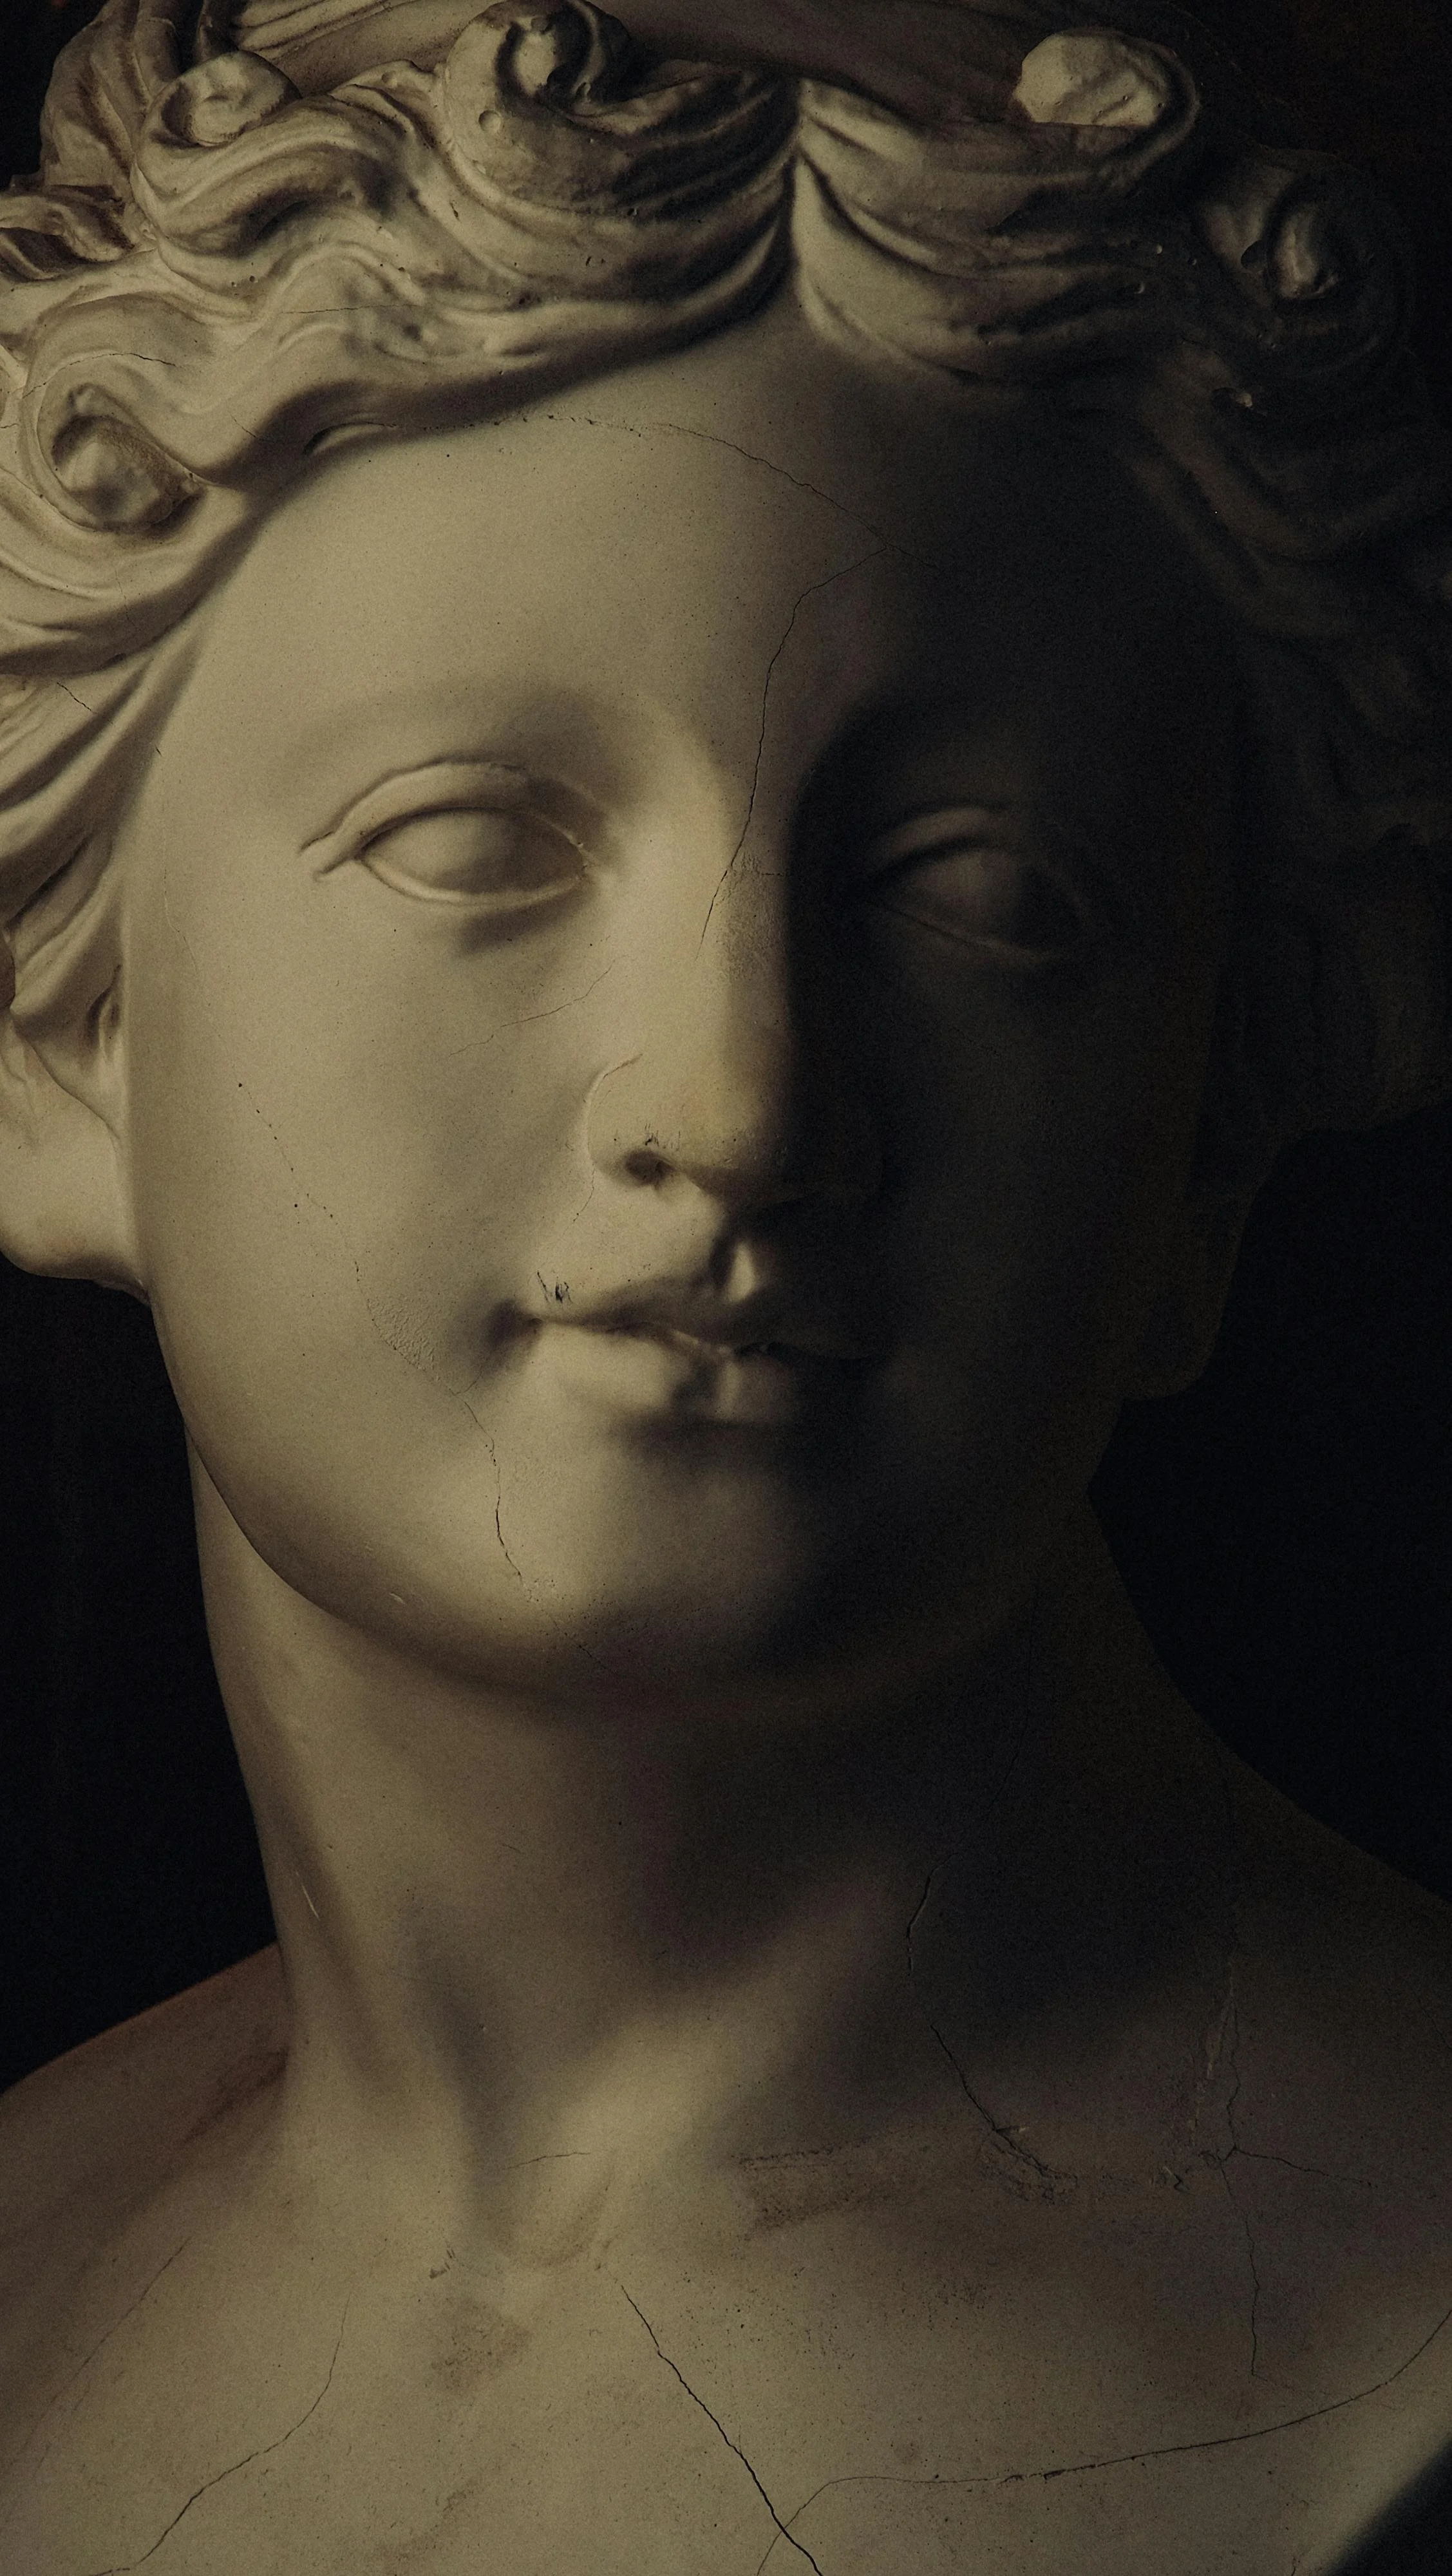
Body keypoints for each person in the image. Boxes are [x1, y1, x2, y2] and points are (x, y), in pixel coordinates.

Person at [1, 1, 1450, 2567]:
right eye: (475, 844)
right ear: (64, 1039)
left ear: (1197, 1151)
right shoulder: (39, 2262)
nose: (746, 1096)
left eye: (982, 900)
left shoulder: (1373, 2346)